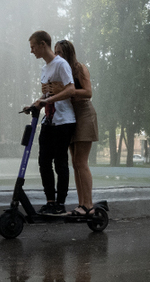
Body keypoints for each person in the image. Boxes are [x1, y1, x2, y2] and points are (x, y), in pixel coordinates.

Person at [29, 31, 76, 215]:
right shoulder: (44, 68)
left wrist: (47, 101)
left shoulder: (61, 64)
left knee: (60, 163)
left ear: (42, 44)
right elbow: (48, 95)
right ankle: (50, 201)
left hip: (64, 122)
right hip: (49, 121)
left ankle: (60, 203)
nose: (31, 51)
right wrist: (36, 103)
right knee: (43, 161)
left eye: (33, 47)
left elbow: (71, 89)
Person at [54, 39, 98, 216]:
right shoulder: (62, 70)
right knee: (75, 163)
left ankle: (89, 205)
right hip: (70, 117)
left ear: (68, 53)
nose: (57, 55)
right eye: (55, 52)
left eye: (60, 52)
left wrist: (67, 91)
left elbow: (88, 92)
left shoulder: (79, 68)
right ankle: (82, 204)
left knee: (81, 162)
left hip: (84, 114)